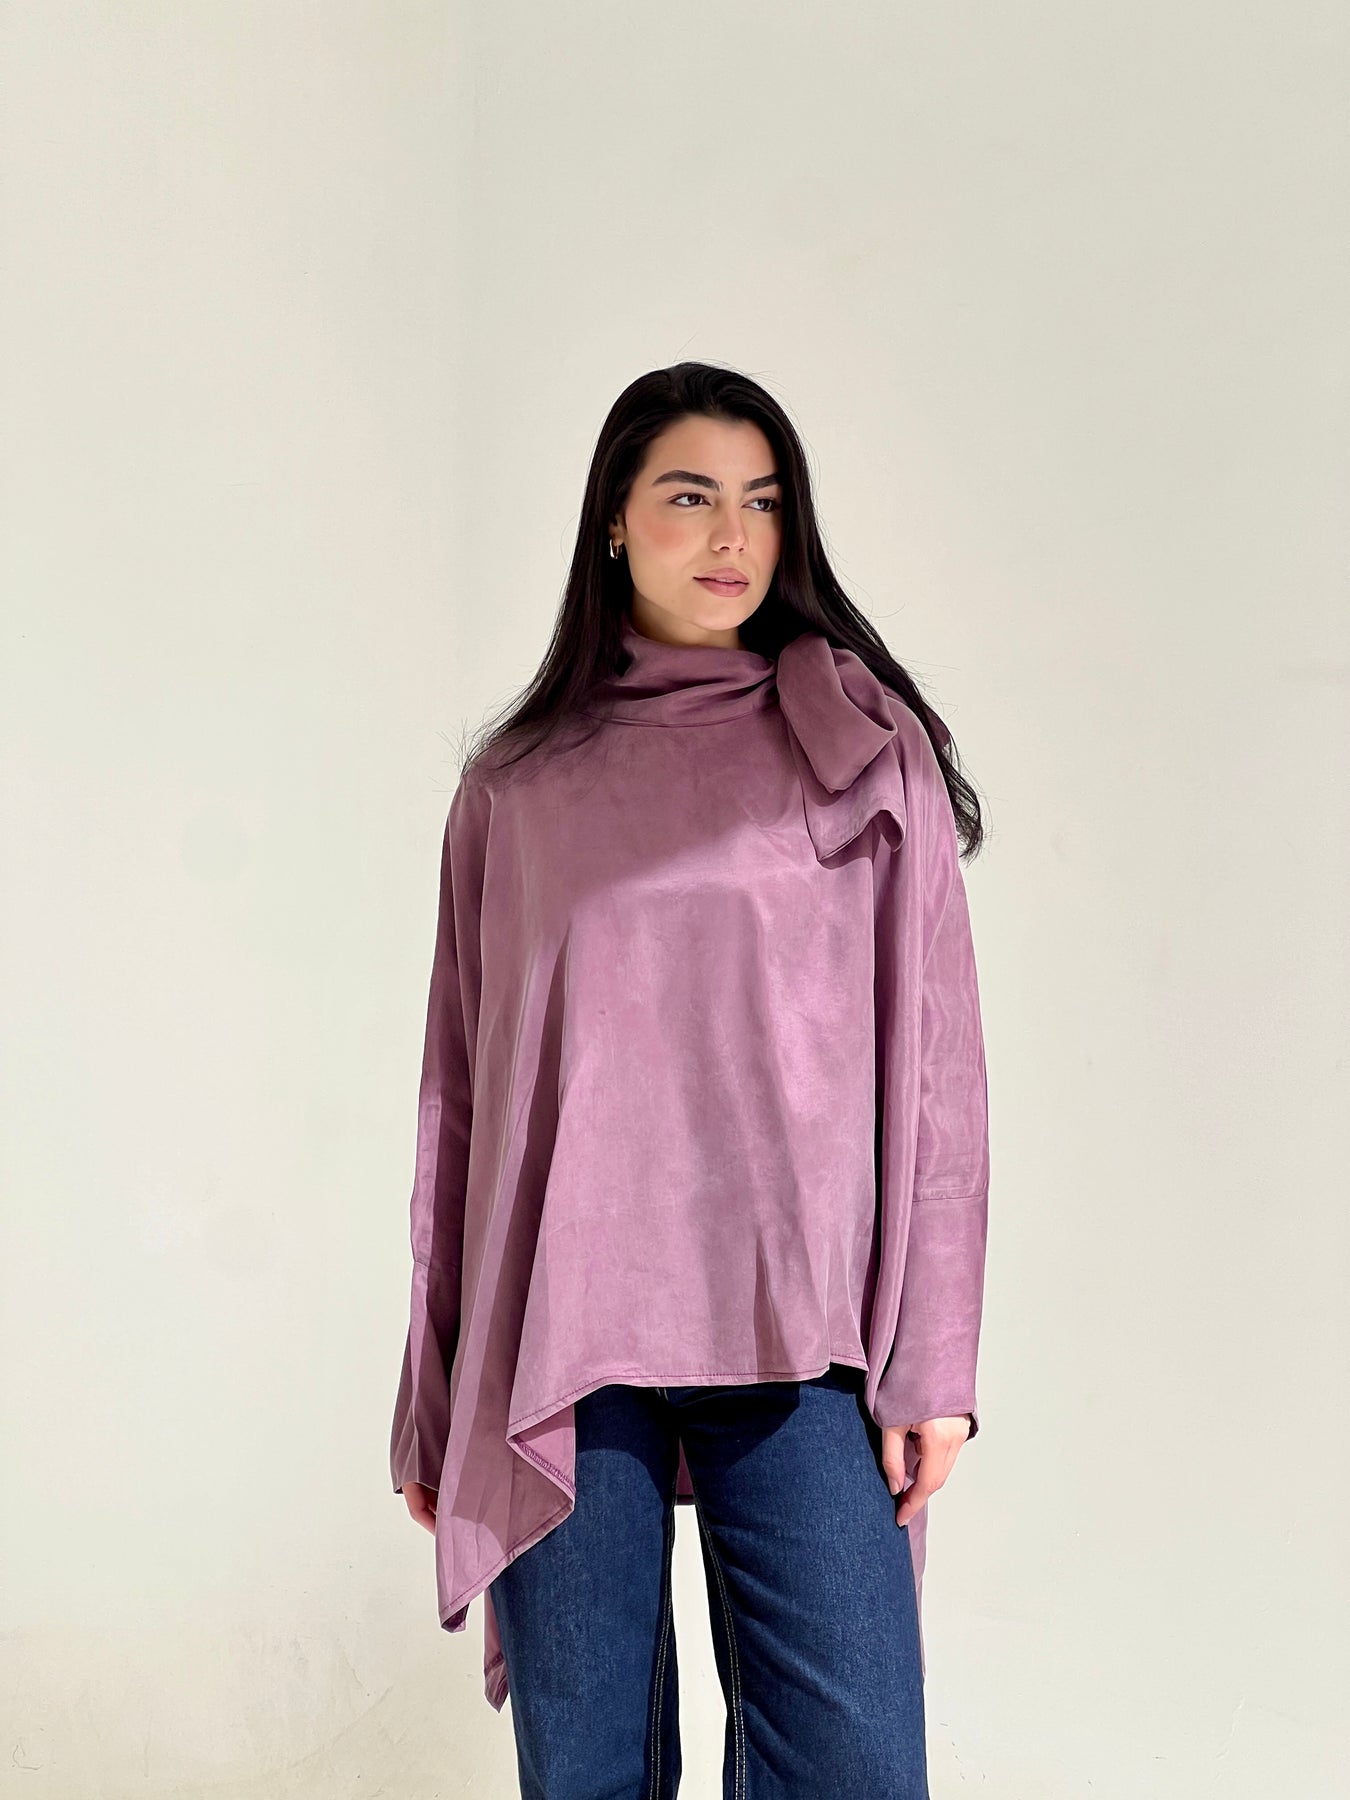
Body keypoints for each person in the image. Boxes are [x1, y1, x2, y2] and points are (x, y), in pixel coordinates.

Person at [390, 361, 991, 1799]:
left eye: (763, 502)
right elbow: (459, 1099)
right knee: (586, 1773)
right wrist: (433, 1386)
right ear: (613, 519)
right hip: (560, 1345)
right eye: (690, 496)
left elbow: (940, 1080)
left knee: (850, 1766)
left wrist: (937, 1361)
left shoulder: (861, 752)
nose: (733, 536)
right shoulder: (518, 786)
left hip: (798, 1331)